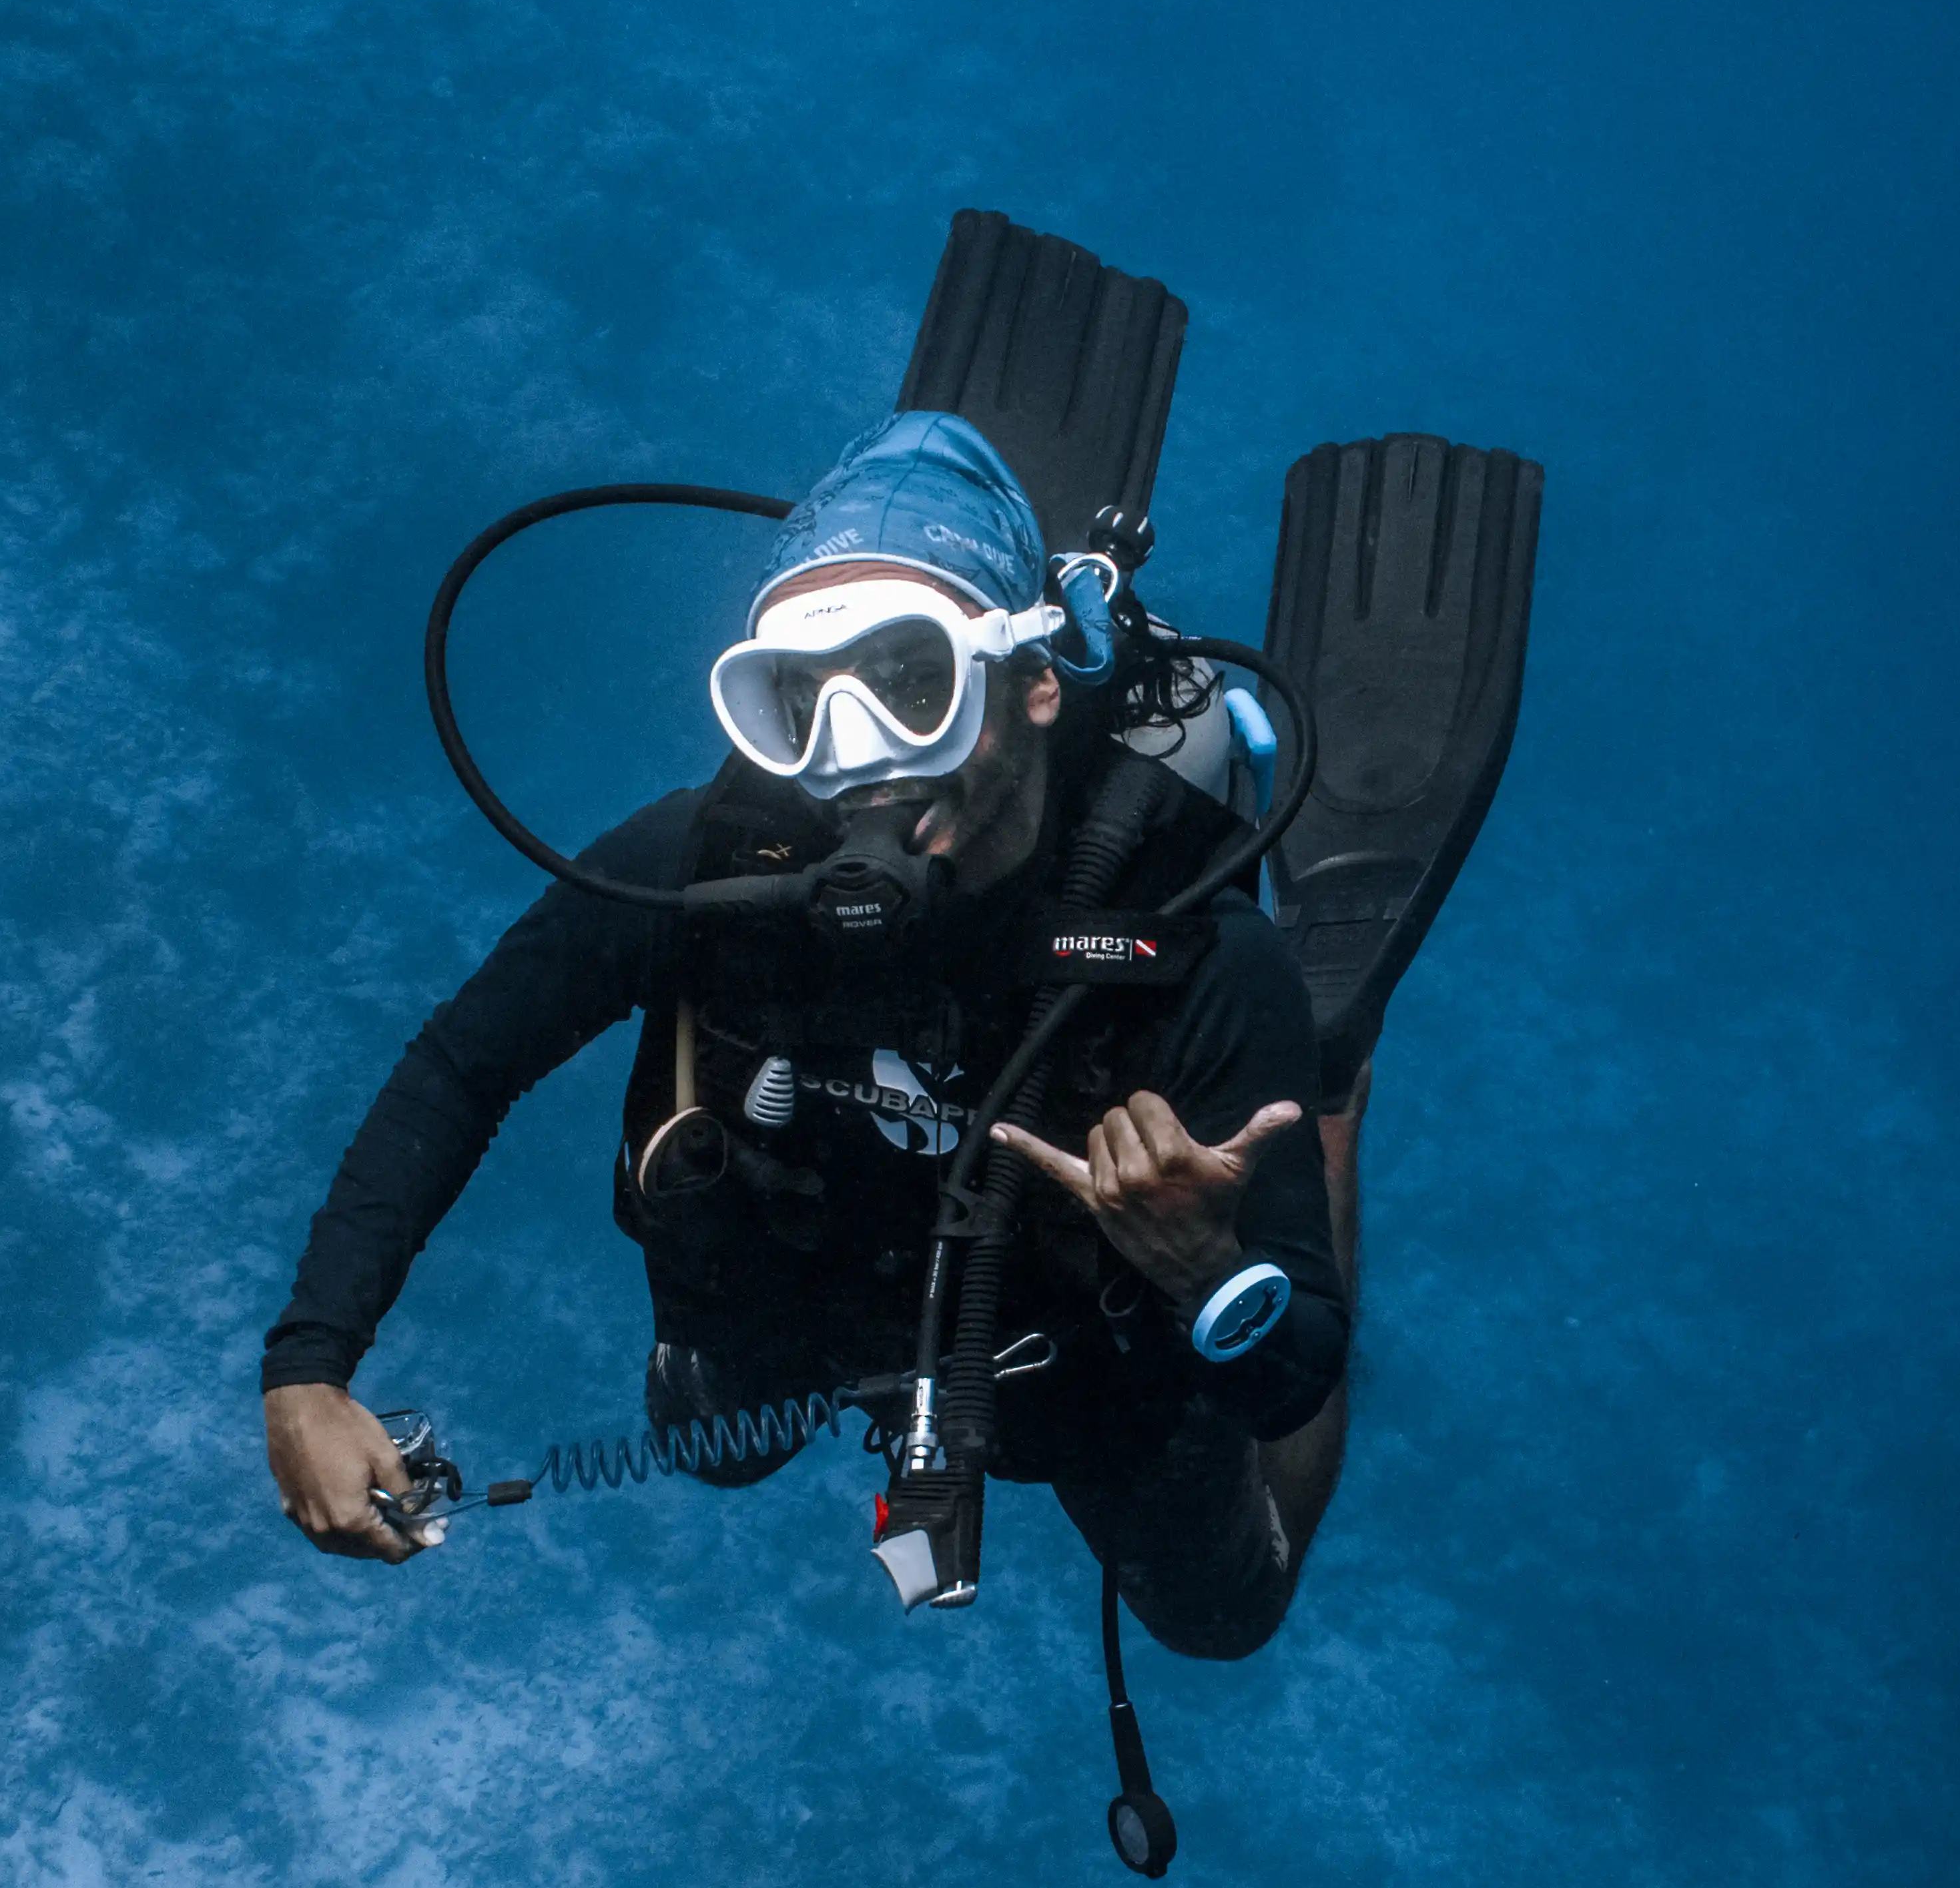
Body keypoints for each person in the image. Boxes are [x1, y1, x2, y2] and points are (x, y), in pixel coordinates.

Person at [262, 412, 1362, 1658]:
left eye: (911, 684)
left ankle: (1335, 1094)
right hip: (806, 1285)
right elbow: (466, 1062)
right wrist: (310, 1363)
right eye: (800, 703)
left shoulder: (1196, 949)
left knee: (1226, 1621)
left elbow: (1292, 1373)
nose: (858, 766)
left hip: (1083, 1357)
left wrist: (1207, 1264)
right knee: (709, 1451)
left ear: (1036, 683)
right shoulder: (696, 865)